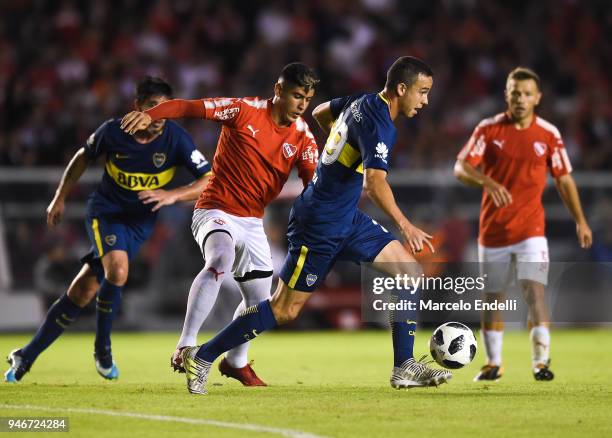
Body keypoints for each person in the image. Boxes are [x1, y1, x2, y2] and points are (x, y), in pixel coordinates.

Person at [170, 56, 453, 395]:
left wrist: (338, 158)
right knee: (283, 309)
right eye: (422, 92)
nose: (425, 101)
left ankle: (404, 366)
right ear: (401, 89)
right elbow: (376, 183)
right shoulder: (380, 125)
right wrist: (405, 225)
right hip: (319, 222)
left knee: (408, 272)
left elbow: (320, 112)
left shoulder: (361, 101)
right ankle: (202, 356)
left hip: (346, 216)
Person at [120, 63, 319, 386]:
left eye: (307, 99)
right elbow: (189, 107)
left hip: (253, 222)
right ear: (279, 91)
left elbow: (314, 185)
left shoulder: (302, 136)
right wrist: (153, 115)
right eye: (297, 96)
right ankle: (186, 344)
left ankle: (236, 362)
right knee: (220, 259)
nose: (301, 105)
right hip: (216, 209)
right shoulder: (242, 110)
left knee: (260, 302)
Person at [4, 77, 212, 382]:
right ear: (138, 107)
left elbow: (209, 178)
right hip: (107, 212)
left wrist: (173, 194)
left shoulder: (177, 140)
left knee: (83, 290)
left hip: (141, 222)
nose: (159, 115)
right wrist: (60, 197)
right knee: (118, 271)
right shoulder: (113, 132)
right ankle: (103, 349)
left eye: (165, 108)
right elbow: (81, 158)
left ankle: (27, 354)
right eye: (152, 107)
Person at [454, 67, 593, 381]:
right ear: (506, 94)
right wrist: (487, 182)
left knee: (534, 293)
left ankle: (541, 362)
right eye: (515, 92)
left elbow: (564, 179)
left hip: (531, 231)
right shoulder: (488, 130)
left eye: (527, 93)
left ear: (538, 98)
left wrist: (580, 220)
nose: (520, 98)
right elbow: (461, 167)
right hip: (493, 232)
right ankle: (493, 363)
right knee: (493, 296)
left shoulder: (548, 134)